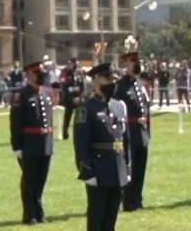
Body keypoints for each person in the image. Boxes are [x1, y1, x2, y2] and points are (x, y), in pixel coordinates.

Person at [74, 63, 129, 231]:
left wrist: (127, 168)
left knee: (111, 218)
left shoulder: (117, 106)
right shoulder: (87, 108)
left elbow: (125, 140)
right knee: (97, 218)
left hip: (116, 168)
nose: (112, 83)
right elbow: (81, 144)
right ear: (96, 80)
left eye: (113, 79)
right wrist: (87, 171)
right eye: (107, 79)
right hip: (99, 169)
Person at [10, 61, 53, 225]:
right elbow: (15, 122)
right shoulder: (22, 95)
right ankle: (29, 214)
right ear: (30, 75)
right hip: (30, 144)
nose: (42, 76)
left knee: (41, 180)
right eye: (38, 74)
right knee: (30, 180)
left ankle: (39, 211)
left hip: (45, 143)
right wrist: (17, 146)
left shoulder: (46, 94)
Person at [115, 52, 150, 211]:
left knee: (140, 168)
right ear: (126, 65)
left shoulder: (140, 85)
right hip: (128, 132)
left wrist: (148, 133)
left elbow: (146, 111)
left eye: (137, 61)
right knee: (129, 167)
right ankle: (128, 200)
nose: (136, 64)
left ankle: (137, 198)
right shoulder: (120, 86)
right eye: (132, 62)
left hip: (141, 132)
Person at [60, 58, 84, 140]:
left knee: (79, 117)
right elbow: (64, 86)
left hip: (78, 99)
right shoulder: (66, 73)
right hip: (69, 99)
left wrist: (79, 97)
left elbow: (82, 86)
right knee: (67, 117)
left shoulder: (79, 74)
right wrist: (71, 97)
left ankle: (79, 133)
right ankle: (65, 133)